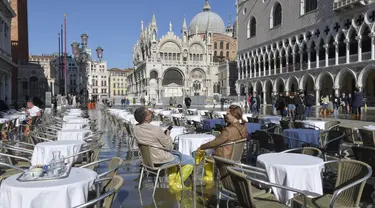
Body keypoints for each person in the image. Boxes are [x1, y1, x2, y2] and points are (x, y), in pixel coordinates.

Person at [133, 106, 194, 187]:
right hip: (161, 160)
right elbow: (169, 147)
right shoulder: (155, 129)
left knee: (173, 156)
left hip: (147, 161)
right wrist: (168, 135)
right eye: (150, 113)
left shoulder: (135, 129)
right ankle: (177, 184)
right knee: (190, 160)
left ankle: (171, 181)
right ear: (146, 118)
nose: (152, 114)